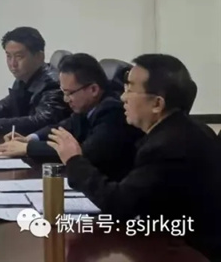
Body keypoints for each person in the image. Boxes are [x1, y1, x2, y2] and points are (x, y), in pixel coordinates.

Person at [48, 54, 221, 261]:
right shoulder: (180, 130)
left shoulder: (168, 146)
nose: (123, 97)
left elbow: (120, 204)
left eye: (130, 89)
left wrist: (74, 160)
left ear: (157, 104)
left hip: (190, 251)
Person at [0, 53, 142, 180]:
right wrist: (31, 138)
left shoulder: (113, 111)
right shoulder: (88, 107)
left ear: (93, 89)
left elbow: (83, 152)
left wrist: (28, 148)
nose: (66, 99)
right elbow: (64, 127)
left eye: (70, 93)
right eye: (63, 92)